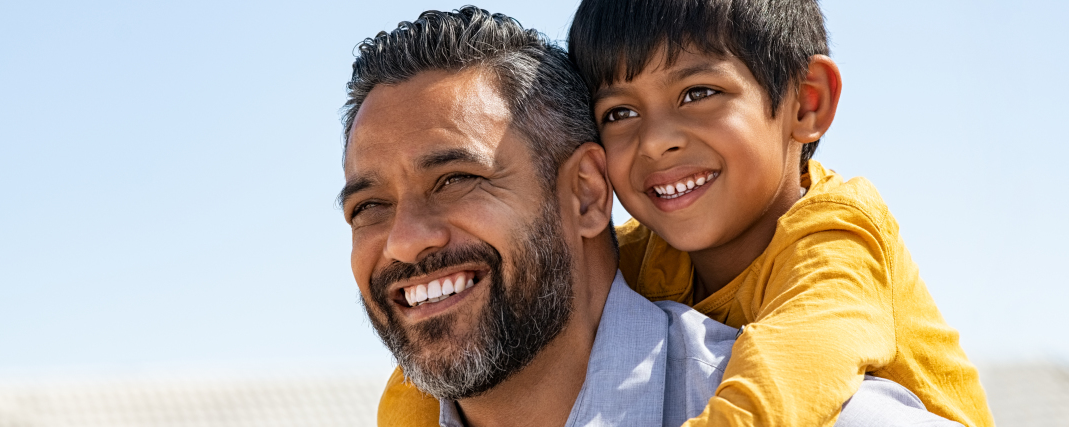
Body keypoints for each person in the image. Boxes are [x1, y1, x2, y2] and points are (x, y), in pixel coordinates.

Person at [342, 7, 960, 427]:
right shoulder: (649, 251)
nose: (404, 240)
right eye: (368, 206)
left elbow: (802, 352)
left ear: (587, 194)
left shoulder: (835, 241)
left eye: (457, 181)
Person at [562, 0, 996, 426]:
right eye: (620, 112)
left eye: (698, 93)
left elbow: (782, 382)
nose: (655, 140)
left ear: (807, 103)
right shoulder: (637, 254)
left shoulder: (836, 238)